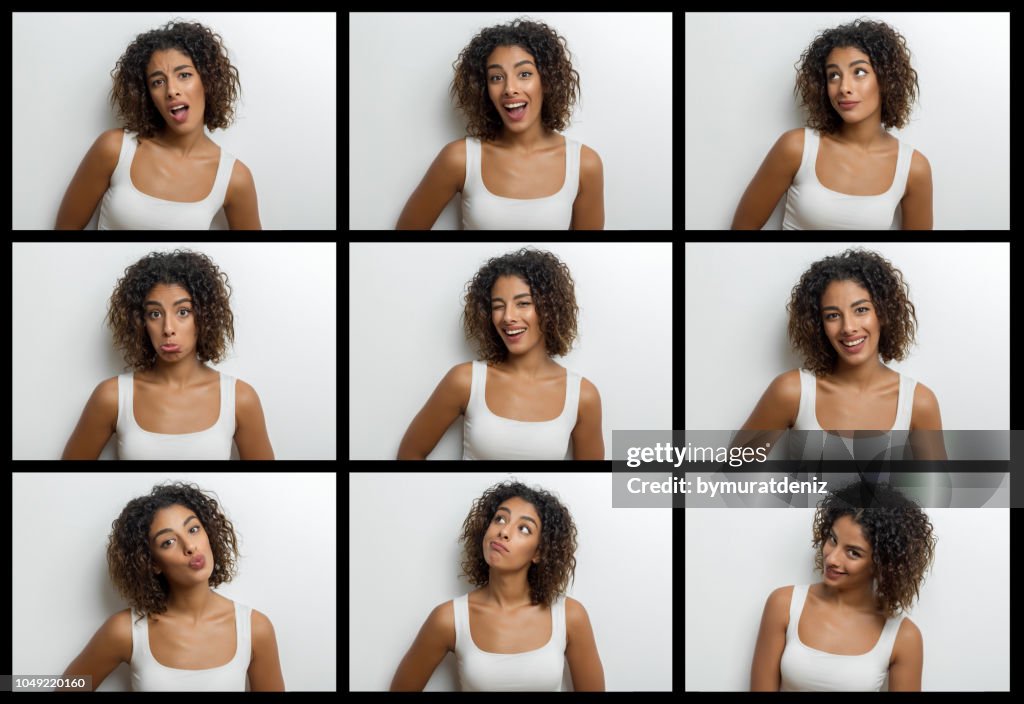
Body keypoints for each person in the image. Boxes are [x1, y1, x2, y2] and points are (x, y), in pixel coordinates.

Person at [59, 482, 284, 691]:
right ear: (153, 562)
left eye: (193, 529)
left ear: (209, 533)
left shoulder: (255, 629)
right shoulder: (126, 631)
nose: (190, 547)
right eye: (168, 542)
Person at [390, 481, 604, 691]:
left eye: (524, 529)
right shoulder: (448, 619)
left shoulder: (570, 616)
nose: (504, 531)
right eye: (500, 519)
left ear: (539, 552)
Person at [62, 249, 274, 460]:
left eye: (183, 312)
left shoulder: (240, 399)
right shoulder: (111, 397)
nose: (168, 328)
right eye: (155, 314)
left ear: (203, 316)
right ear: (141, 322)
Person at [396, 17, 603, 230]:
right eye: (496, 77)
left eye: (524, 74)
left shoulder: (585, 165)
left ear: (546, 80)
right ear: (485, 89)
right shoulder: (459, 159)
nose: (509, 88)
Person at [738, 248, 945, 461]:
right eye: (833, 315)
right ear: (819, 325)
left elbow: (936, 492)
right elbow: (733, 473)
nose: (848, 327)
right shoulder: (792, 392)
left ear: (883, 313)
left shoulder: (918, 402)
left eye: (861, 310)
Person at [397, 248, 603, 460]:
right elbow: (410, 453)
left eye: (523, 303)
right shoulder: (464, 381)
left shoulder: (583, 397)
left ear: (549, 308)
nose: (508, 317)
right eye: (498, 306)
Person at [55, 20, 261, 230]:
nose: (172, 90)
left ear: (207, 81)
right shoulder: (115, 149)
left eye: (184, 75)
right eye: (158, 82)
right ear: (148, 95)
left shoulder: (235, 178)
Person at [731, 18, 932, 230]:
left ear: (886, 79)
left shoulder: (913, 169)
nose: (844, 87)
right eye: (833, 75)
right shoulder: (795, 148)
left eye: (859, 72)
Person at [750, 480, 936, 691]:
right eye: (833, 539)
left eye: (853, 552)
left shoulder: (904, 637)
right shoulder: (784, 605)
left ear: (882, 564)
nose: (832, 559)